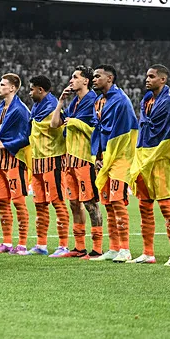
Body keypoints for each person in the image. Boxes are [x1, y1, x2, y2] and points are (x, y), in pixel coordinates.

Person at [127, 65, 170, 265]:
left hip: (160, 161)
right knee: (144, 207)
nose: (147, 79)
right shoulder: (146, 101)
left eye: (151, 76)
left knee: (166, 207)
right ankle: (148, 253)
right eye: (147, 76)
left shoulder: (168, 103)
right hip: (144, 159)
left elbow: (168, 134)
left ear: (163, 80)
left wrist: (152, 156)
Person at [50, 66, 102, 258]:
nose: (71, 80)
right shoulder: (73, 103)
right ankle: (79, 247)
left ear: (86, 81)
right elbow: (54, 124)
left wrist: (75, 122)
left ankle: (97, 249)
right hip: (69, 160)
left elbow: (96, 130)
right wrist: (60, 102)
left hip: (84, 159)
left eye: (75, 77)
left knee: (90, 203)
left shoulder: (94, 101)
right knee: (73, 203)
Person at [90, 65, 139, 263]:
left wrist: (109, 157)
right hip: (104, 158)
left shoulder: (121, 100)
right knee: (108, 204)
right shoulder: (98, 101)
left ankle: (125, 249)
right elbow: (98, 131)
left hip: (119, 158)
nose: (94, 79)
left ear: (109, 78)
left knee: (117, 202)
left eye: (97, 76)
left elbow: (125, 133)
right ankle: (113, 248)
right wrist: (97, 157)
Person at [27, 75, 70, 257]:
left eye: (32, 89)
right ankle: (41, 244)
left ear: (40, 90)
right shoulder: (37, 107)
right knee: (40, 204)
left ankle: (63, 245)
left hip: (53, 159)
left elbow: (59, 128)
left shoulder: (53, 107)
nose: (30, 93)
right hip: (37, 161)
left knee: (58, 202)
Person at [0, 73, 32, 255]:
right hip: (0, 163)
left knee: (19, 203)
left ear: (12, 88)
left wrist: (6, 145)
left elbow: (27, 137)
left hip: (15, 161)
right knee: (2, 203)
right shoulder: (1, 107)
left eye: (2, 84)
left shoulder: (21, 110)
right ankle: (6, 242)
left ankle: (22, 244)